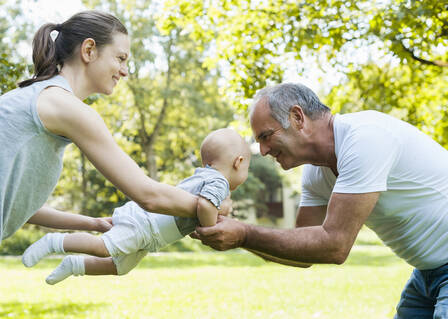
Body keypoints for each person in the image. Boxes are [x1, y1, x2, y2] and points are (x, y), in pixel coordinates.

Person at [0, 10, 224, 318]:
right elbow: (148, 194)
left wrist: (92, 224)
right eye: (120, 58)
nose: (125, 70)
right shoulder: (66, 107)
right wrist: (210, 203)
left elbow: (15, 206)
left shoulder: (37, 100)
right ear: (89, 50)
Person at [192, 83, 448, 318]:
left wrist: (244, 234)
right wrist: (234, 235)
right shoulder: (316, 173)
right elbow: (303, 253)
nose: (263, 150)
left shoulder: (365, 138)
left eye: (265, 136)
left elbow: (335, 245)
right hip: (427, 274)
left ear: (297, 117)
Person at [21, 128, 250, 284]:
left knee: (120, 267)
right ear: (238, 163)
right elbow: (205, 207)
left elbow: (206, 205)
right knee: (104, 248)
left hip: (151, 233)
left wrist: (219, 208)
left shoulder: (207, 176)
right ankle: (53, 242)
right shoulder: (219, 181)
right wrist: (211, 228)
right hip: (145, 224)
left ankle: (75, 265)